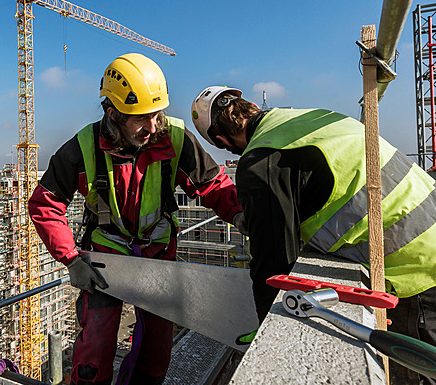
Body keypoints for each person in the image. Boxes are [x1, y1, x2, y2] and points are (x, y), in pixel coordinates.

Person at [191, 85, 436, 385]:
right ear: (251, 105)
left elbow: (274, 264)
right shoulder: (309, 120)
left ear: (220, 139)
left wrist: (269, 327)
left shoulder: (260, 161)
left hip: (416, 270)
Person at [29, 55, 246, 385]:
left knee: (156, 351)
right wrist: (71, 259)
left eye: (157, 113)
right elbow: (46, 205)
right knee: (95, 351)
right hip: (105, 260)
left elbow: (212, 184)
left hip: (158, 256)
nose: (153, 125)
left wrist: (241, 215)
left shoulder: (173, 138)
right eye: (141, 117)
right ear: (113, 113)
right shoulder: (83, 148)